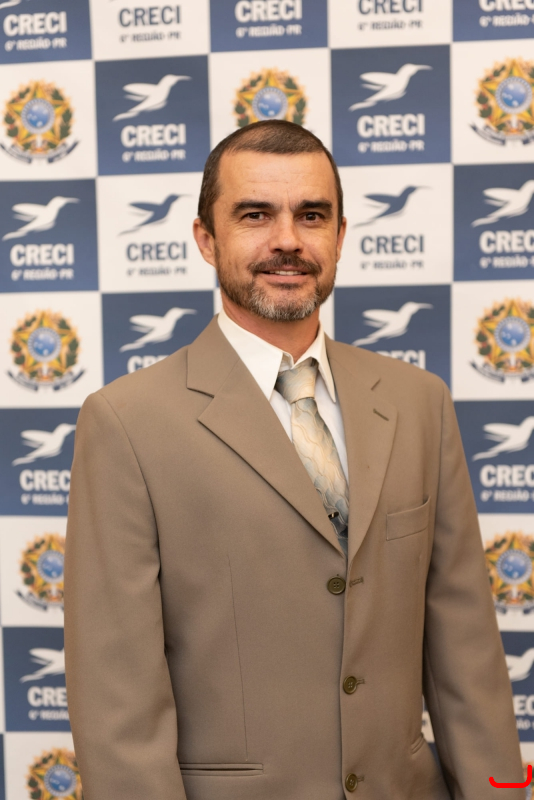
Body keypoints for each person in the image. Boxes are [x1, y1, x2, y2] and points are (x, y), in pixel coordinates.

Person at [64, 120, 523, 800]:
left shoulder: (418, 402)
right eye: (255, 215)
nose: (288, 240)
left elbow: (467, 652)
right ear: (206, 239)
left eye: (312, 216)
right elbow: (117, 701)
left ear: (340, 236)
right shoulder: (126, 421)